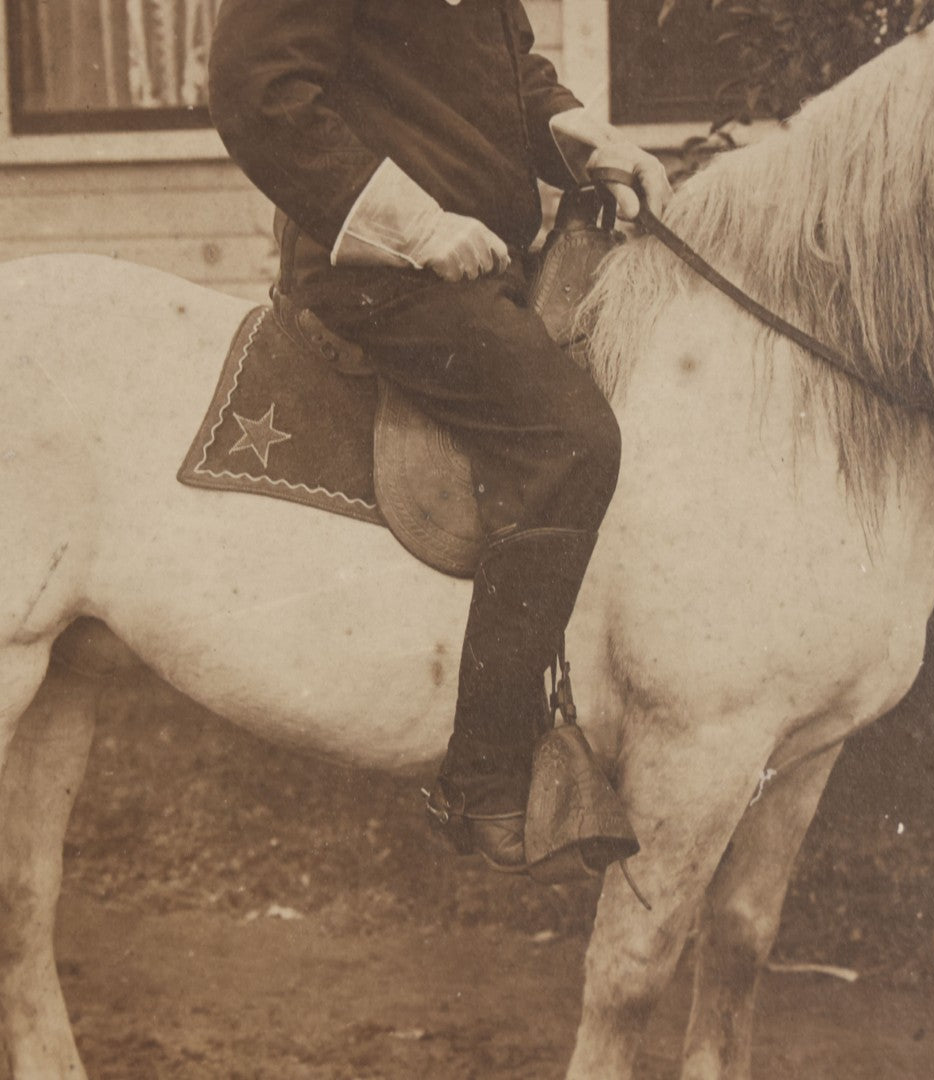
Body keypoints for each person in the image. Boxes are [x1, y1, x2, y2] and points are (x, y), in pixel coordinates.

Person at [208, 0, 671, 872]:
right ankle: (485, 781)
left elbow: (508, 77)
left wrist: (592, 147)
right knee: (571, 439)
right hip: (377, 271)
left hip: (483, 257)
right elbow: (254, 92)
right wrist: (413, 228)